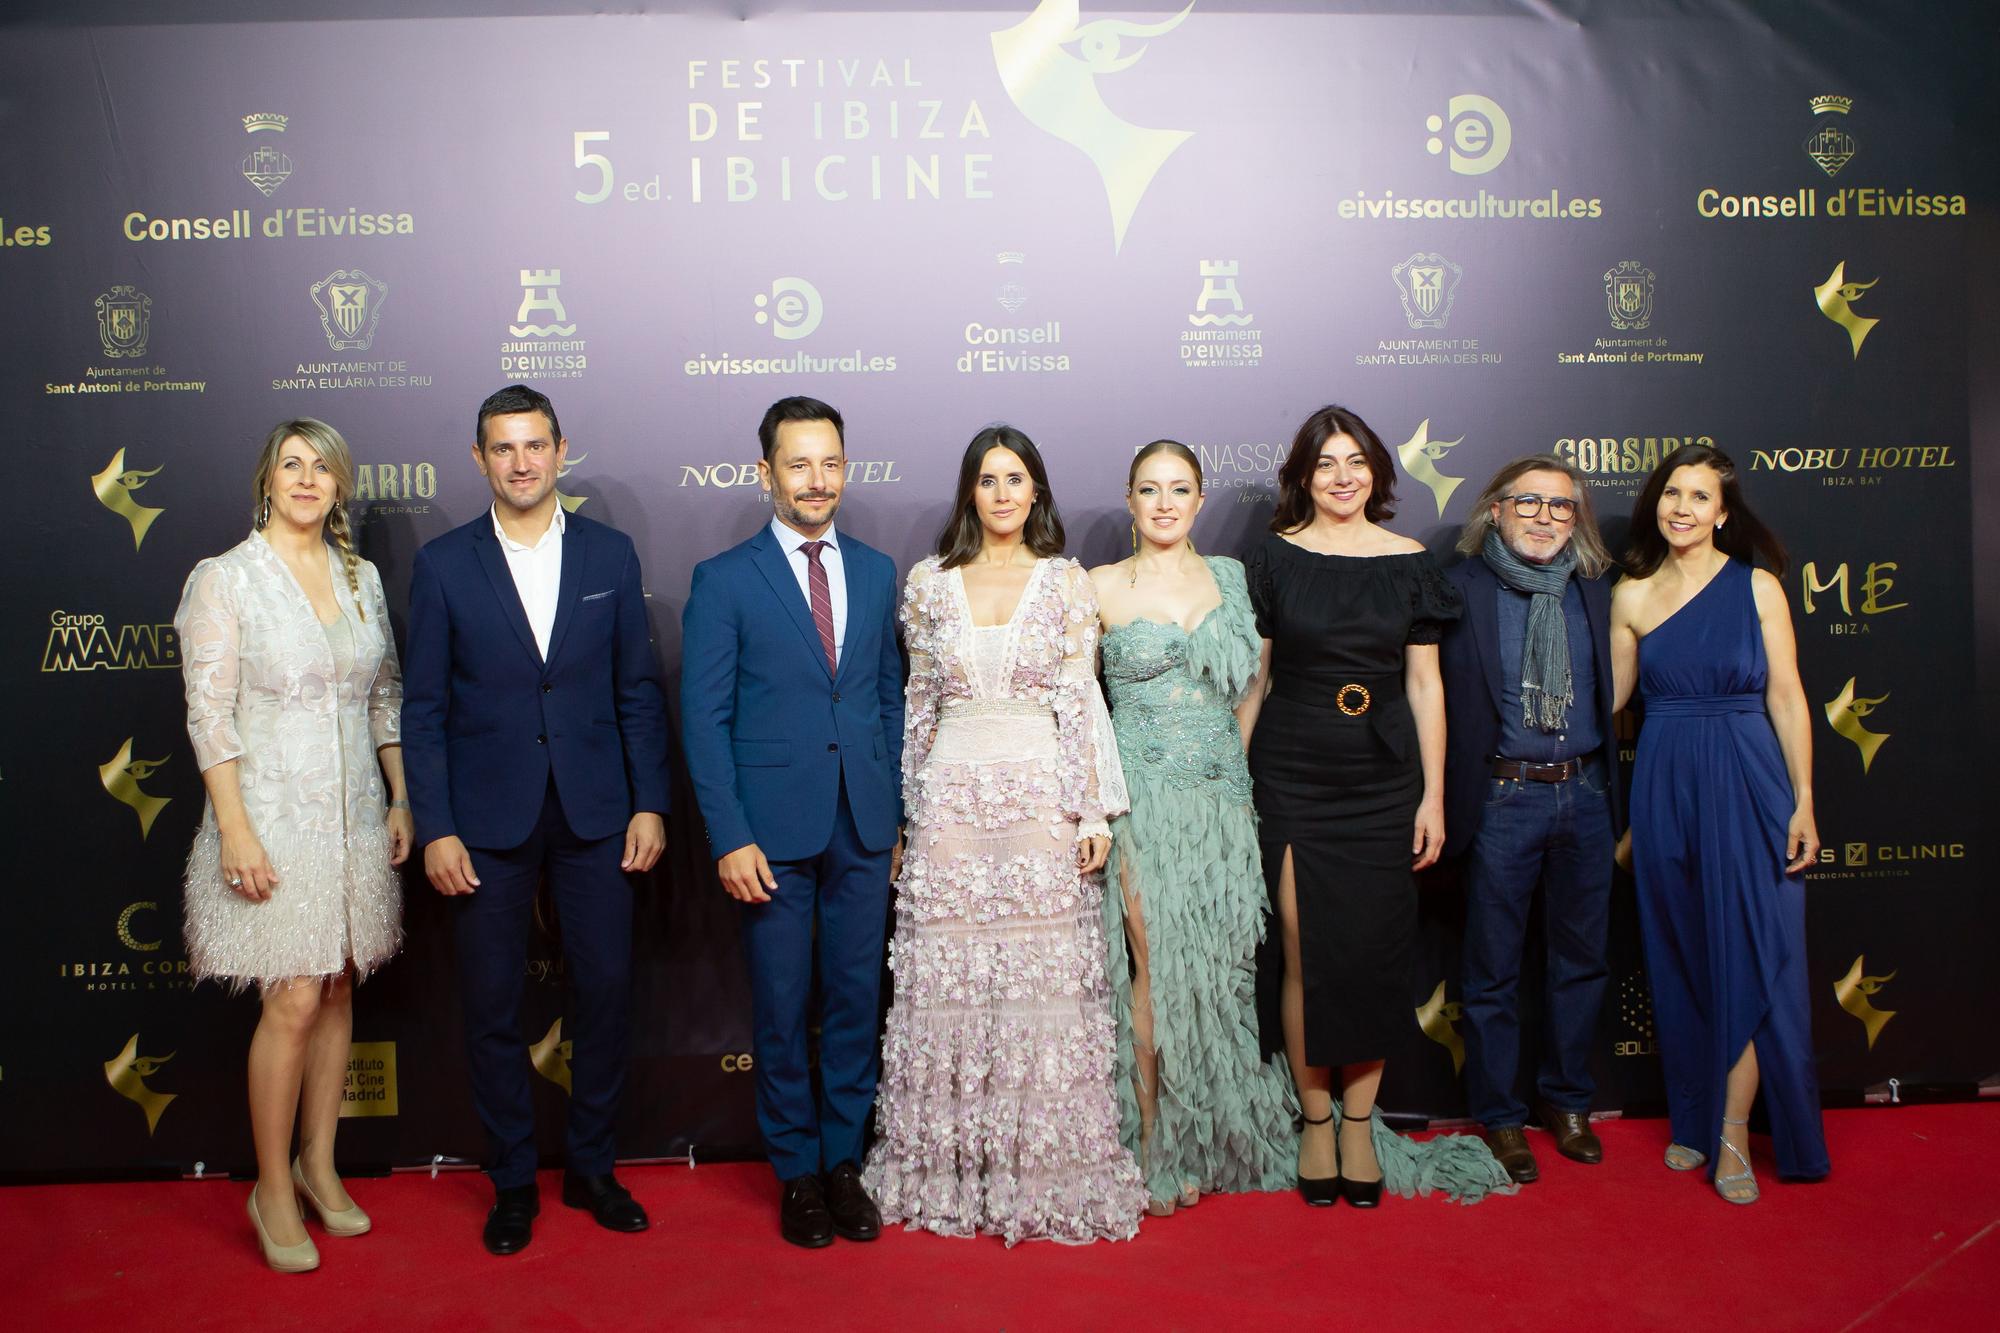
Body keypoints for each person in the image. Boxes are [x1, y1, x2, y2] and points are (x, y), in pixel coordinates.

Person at [402, 385, 669, 1254]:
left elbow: (637, 691)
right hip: (483, 821)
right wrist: (436, 823)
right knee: (491, 1004)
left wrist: (650, 802)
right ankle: (512, 1179)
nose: (521, 462)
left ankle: (592, 1167)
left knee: (606, 992)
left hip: (598, 811)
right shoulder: (444, 564)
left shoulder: (611, 555)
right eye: (503, 448)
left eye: (535, 445)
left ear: (562, 450)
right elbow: (425, 708)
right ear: (479, 460)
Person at [863, 425, 1146, 1244]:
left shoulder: (1064, 583)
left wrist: (1091, 810)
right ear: (969, 492)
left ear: (1037, 491)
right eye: (987, 479)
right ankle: (948, 1171)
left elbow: (1080, 701)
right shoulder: (927, 583)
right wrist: (905, 822)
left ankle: (1042, 1171)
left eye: (1015, 478)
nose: (1001, 493)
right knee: (947, 985)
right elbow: (917, 708)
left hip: (1039, 802)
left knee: (1038, 989)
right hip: (949, 799)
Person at [1238, 404, 1510, 1208]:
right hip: (1290, 771)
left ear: (1379, 474)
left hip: (1383, 778)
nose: (1342, 476)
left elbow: (1426, 685)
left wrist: (1433, 792)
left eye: (1356, 461)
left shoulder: (1409, 561)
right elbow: (1258, 680)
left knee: (1372, 954)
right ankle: (1313, 1118)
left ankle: (1360, 1121)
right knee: (1303, 947)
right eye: (1325, 463)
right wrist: (1230, 775)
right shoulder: (1272, 560)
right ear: (1303, 476)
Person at [174, 418, 410, 1273]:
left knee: (340, 988)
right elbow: (209, 711)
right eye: (292, 464)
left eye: (323, 468)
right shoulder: (227, 579)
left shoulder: (362, 576)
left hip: (352, 820)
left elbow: (385, 695)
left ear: (341, 484)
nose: (308, 479)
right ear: (267, 479)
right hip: (270, 818)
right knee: (294, 999)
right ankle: (271, 1183)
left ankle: (320, 1163)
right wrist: (234, 825)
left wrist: (402, 792)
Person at [680, 397, 905, 1249]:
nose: (818, 481)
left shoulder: (880, 570)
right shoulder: (725, 577)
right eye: (799, 464)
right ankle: (798, 1174)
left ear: (847, 468)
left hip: (863, 828)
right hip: (768, 836)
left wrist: (893, 819)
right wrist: (730, 834)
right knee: (781, 1007)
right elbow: (704, 719)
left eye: (831, 463)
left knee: (854, 1000)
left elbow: (885, 697)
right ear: (766, 472)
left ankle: (844, 1163)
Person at [1610, 444, 1828, 1204]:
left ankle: (1735, 1130)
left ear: (1722, 513)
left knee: (1749, 951)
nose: (1682, 507)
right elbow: (1609, 710)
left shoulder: (1757, 586)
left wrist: (1802, 797)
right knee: (1680, 955)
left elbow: (1789, 697)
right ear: (1656, 503)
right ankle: (1695, 1116)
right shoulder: (1631, 596)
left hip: (1748, 776)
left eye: (1700, 497)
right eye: (1672, 492)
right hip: (1665, 779)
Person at [1088, 440, 1296, 1214]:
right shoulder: (1099, 585)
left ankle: (1213, 1130)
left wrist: (1230, 773)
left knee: (1218, 972)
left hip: (1219, 804)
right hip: (1140, 804)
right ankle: (1154, 1138)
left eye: (1180, 489)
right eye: (1150, 489)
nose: (1166, 502)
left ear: (1201, 500)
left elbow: (1255, 683)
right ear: (1131, 499)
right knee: (1154, 966)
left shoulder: (1235, 579)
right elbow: (1080, 708)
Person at [1439, 456, 1622, 1185]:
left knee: (1580, 960)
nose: (1546, 518)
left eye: (1562, 507)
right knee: (1492, 970)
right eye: (1530, 503)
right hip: (1501, 798)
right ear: (1494, 509)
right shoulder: (1458, 590)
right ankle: (1501, 1115)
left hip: (1584, 795)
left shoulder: (1598, 592)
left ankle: (1568, 1101)